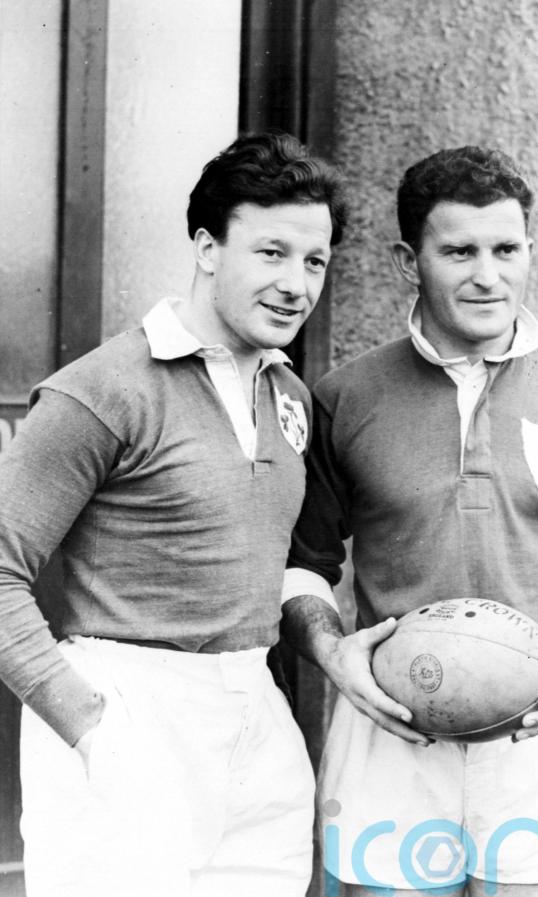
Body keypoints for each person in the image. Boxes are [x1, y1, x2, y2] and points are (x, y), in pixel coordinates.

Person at [282, 146, 538, 896]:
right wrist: (332, 652)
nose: (487, 275)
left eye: (506, 249)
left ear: (530, 250)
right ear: (408, 261)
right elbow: (302, 565)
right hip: (392, 735)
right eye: (459, 252)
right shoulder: (345, 397)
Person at [0, 131, 347, 897]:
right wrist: (90, 727)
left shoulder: (290, 397)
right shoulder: (102, 390)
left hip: (256, 714)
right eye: (271, 252)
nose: (295, 284)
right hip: (126, 707)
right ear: (207, 247)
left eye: (314, 261)